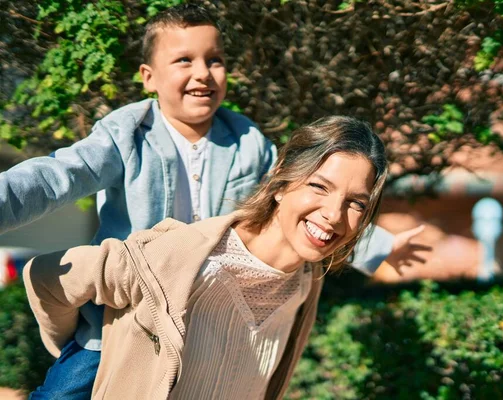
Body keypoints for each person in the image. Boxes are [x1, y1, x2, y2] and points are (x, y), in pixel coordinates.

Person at [0, 4, 426, 399]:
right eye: (184, 60)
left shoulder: (246, 142)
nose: (202, 72)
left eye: (214, 60)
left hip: (204, 320)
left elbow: (305, 202)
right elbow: (56, 177)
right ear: (149, 77)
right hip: (126, 318)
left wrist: (380, 247)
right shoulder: (126, 134)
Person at [24, 116, 408, 399]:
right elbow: (48, 278)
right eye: (319, 187)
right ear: (280, 183)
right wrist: (95, 343)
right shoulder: (179, 257)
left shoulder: (307, 280)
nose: (334, 215)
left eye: (356, 203)